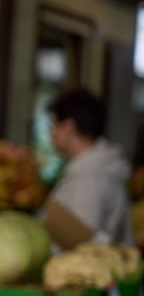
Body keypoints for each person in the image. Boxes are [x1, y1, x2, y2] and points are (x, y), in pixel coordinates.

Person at [42, 87, 134, 250]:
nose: (52, 133)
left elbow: (83, 243)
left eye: (54, 125)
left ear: (69, 126)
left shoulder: (91, 177)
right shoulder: (95, 169)